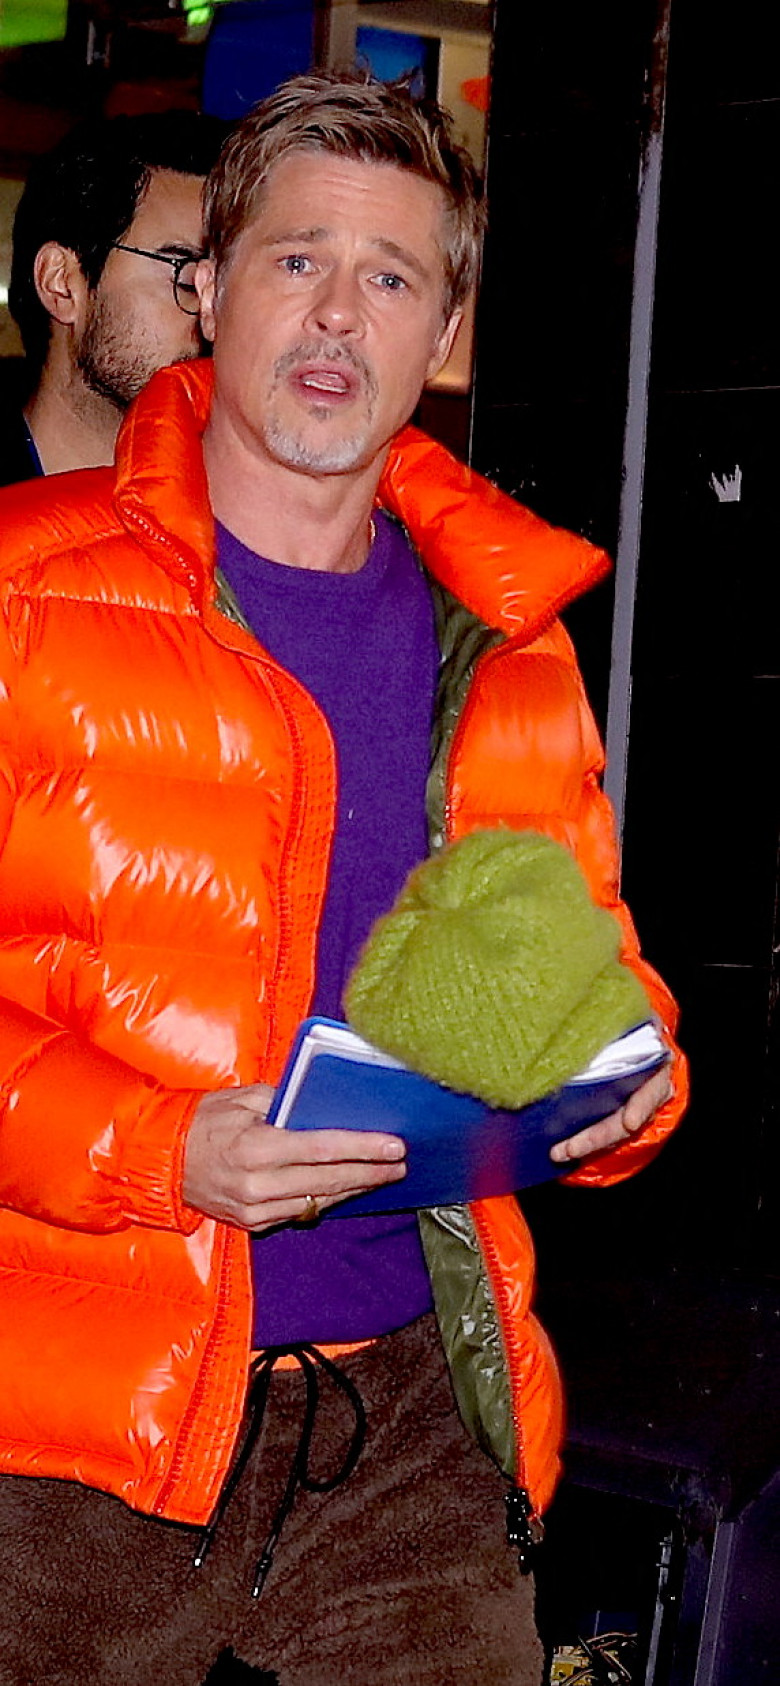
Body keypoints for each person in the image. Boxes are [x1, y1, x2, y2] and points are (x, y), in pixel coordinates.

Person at [0, 72, 687, 1686]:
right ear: (209, 291)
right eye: (296, 257)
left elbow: (604, 975)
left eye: (391, 276)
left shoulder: (509, 649)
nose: (336, 312)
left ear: (443, 329)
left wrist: (628, 1089)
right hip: (71, 1433)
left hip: (412, 1409)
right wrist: (161, 1150)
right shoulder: (25, 593)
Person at [0, 109, 225, 485]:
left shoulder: (239, 518)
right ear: (62, 284)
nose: (211, 319)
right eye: (186, 280)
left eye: (224, 289)